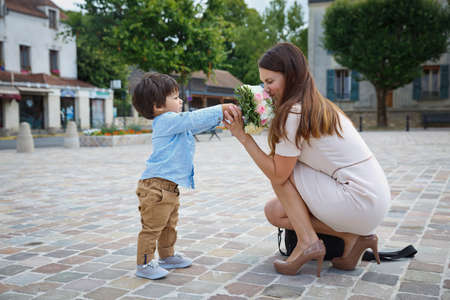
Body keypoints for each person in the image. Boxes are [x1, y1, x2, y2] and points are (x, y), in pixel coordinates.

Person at [224, 43, 390, 277]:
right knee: (276, 212)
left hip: (357, 200)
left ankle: (308, 242)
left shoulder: (293, 113)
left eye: (270, 82)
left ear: (290, 77)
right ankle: (352, 238)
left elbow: (277, 174)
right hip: (373, 200)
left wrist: (243, 137)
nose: (265, 89)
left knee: (279, 174)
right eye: (263, 82)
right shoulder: (314, 106)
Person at [132, 72, 236, 279]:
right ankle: (143, 265)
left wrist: (222, 120)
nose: (180, 101)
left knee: (169, 225)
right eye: (174, 97)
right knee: (152, 228)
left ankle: (167, 256)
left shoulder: (175, 124)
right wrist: (220, 109)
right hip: (156, 188)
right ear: (157, 106)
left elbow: (196, 125)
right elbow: (192, 119)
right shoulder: (165, 121)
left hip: (169, 188)